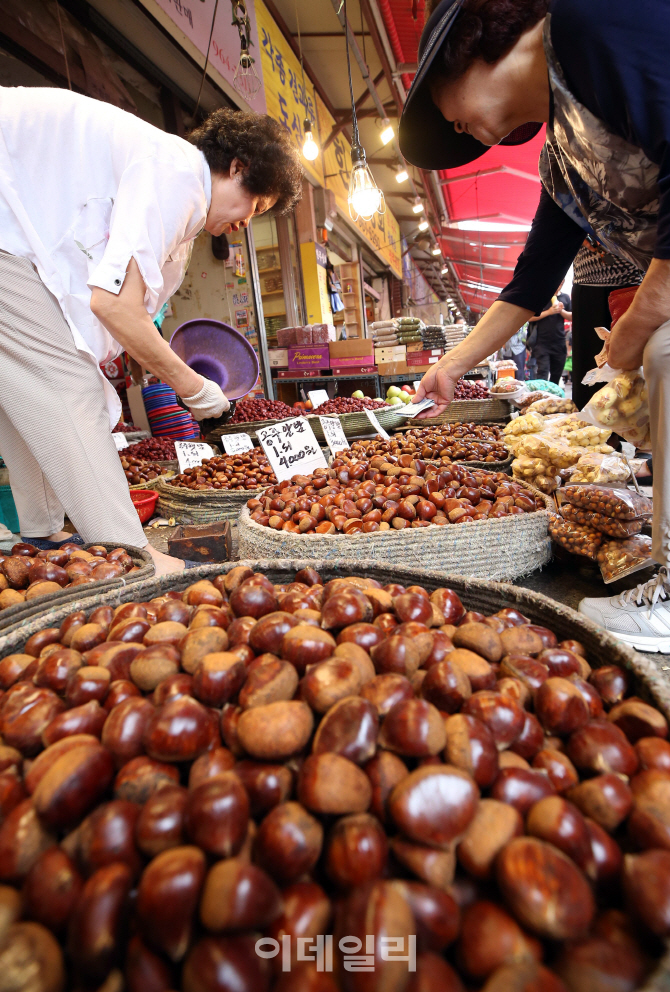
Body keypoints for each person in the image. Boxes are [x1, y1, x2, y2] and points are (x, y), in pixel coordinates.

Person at [399, 0, 670, 652]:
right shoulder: (565, 156)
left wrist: (637, 324)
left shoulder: (589, 22)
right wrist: (452, 369)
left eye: (442, 103)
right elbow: (528, 286)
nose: (454, 126)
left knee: (663, 353)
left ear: (467, 48)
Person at [0, 87, 302, 574]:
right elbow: (114, 305)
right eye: (255, 206)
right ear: (238, 167)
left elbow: (125, 307)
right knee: (65, 385)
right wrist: (196, 388)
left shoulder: (177, 208)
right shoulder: (178, 174)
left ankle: (43, 530)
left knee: (20, 386)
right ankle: (132, 556)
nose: (246, 222)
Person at [571, 243, 643, 410]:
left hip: (634, 279)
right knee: (589, 367)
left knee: (633, 371)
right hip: (587, 280)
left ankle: (635, 429)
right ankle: (591, 431)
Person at [527, 281, 571, 384]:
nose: (558, 286)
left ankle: (553, 397)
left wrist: (561, 310)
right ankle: (542, 397)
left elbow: (572, 316)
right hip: (541, 343)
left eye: (560, 284)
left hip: (559, 341)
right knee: (542, 373)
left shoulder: (565, 297)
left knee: (557, 373)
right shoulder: (540, 297)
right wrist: (549, 312)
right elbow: (529, 317)